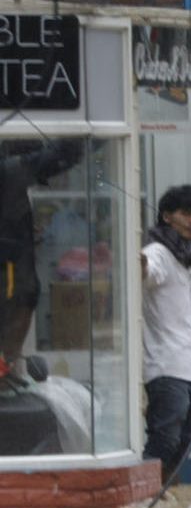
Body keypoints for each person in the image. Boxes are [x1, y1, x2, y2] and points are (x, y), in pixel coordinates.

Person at [140, 186, 191, 474]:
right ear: (167, 217)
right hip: (165, 366)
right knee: (165, 439)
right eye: (185, 214)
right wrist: (138, 262)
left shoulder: (186, 254)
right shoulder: (158, 251)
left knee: (185, 440)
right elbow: (147, 268)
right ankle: (146, 492)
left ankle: (165, 493)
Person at [1, 140, 87, 377]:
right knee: (21, 298)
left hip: (13, 269)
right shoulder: (12, 170)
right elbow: (68, 151)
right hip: (11, 273)